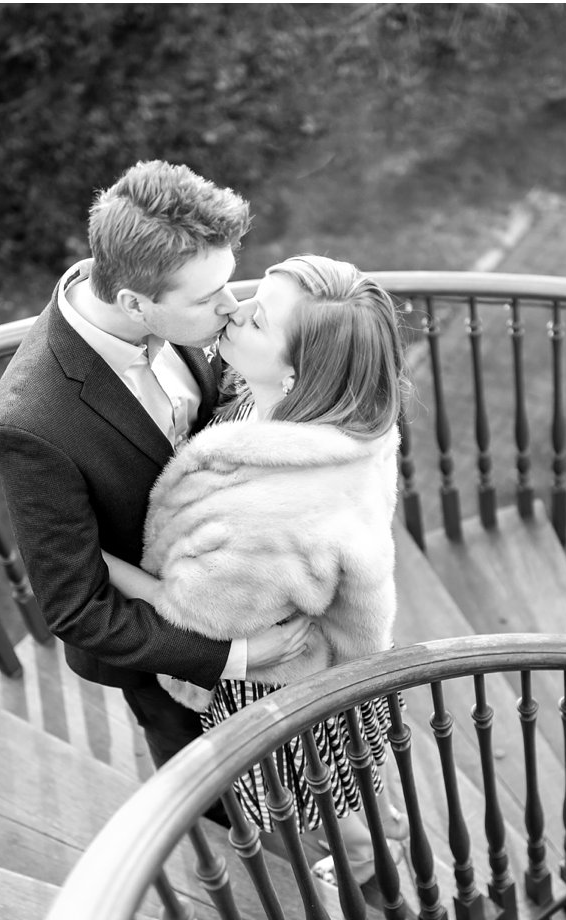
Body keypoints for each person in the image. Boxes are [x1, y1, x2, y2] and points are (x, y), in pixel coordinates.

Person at [0, 161, 314, 782]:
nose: (232, 306)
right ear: (134, 303)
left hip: (229, 577)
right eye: (208, 297)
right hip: (158, 648)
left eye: (230, 281)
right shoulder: (32, 423)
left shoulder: (180, 311)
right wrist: (232, 658)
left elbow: (216, 409)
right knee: (204, 772)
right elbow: (77, 607)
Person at [100, 254, 409, 883]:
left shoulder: (276, 513)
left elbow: (195, 609)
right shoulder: (336, 420)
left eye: (258, 320)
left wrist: (98, 561)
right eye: (251, 294)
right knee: (352, 776)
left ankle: (365, 855)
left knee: (319, 789)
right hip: (337, 649)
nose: (232, 311)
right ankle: (387, 835)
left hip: (289, 673)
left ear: (295, 372)